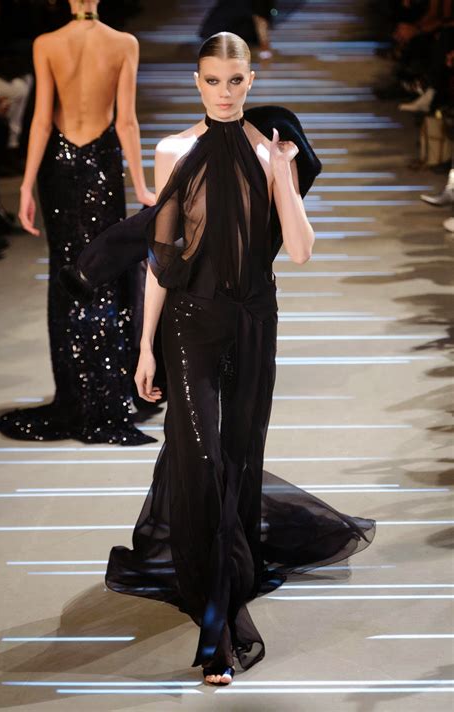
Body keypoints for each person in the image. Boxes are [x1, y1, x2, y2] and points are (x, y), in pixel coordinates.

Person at [62, 32, 376, 685]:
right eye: (213, 80)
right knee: (202, 462)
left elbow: (300, 251)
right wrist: (144, 345)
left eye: (235, 81)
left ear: (250, 81)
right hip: (189, 327)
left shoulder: (271, 151)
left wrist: (284, 173)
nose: (224, 92)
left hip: (254, 324)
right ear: (197, 82)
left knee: (237, 462)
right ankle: (219, 633)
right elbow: (163, 258)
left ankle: (229, 571)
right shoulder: (174, 151)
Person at [0, 0, 156, 445]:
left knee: (66, 272)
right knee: (105, 270)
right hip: (102, 164)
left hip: (60, 168)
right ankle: (108, 391)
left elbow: (42, 121)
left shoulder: (47, 43)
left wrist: (26, 186)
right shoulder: (123, 43)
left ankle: (76, 392)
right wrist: (141, 185)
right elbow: (126, 122)